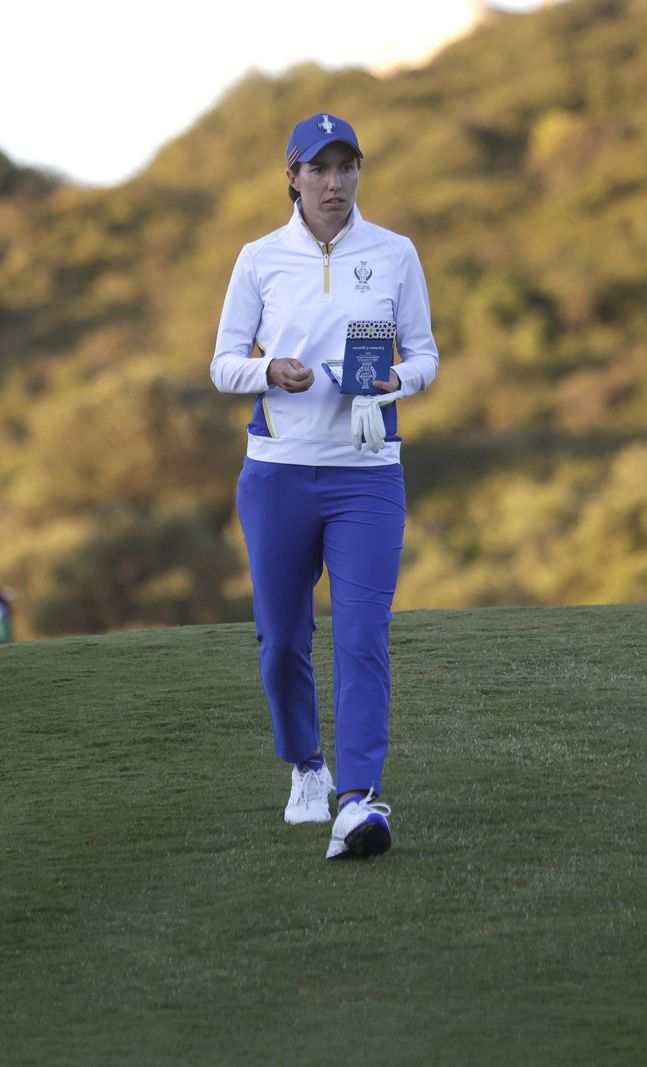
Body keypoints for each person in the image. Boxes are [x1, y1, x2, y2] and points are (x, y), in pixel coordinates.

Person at [209, 112, 440, 860]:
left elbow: (427, 353)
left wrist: (395, 378)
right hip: (277, 472)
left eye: (347, 168)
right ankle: (308, 764)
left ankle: (358, 797)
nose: (335, 183)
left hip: (368, 475)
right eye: (321, 169)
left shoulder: (396, 253)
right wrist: (267, 370)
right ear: (293, 176)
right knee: (281, 640)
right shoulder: (259, 258)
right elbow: (221, 364)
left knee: (363, 633)